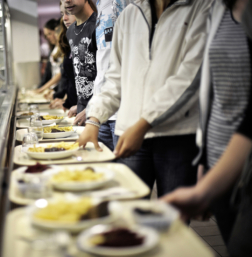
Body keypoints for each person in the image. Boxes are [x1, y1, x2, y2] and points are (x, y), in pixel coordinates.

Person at [78, 0, 211, 198]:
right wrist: (94, 119)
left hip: (177, 134)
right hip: (129, 130)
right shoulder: (130, 14)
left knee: (173, 215)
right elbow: (115, 77)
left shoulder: (201, 7)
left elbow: (190, 77)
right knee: (129, 208)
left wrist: (143, 124)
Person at [162, 0, 252, 246]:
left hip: (243, 167)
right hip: (217, 161)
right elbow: (210, 91)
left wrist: (206, 188)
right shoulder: (219, 9)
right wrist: (204, 161)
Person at [92, 0, 127, 151]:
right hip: (102, 108)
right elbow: (103, 59)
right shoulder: (100, 4)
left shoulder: (125, 3)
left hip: (121, 110)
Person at [64, 0, 98, 126]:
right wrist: (79, 106)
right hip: (83, 112)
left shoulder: (98, 24)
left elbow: (106, 72)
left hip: (100, 110)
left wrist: (91, 108)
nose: (67, 1)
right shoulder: (70, 31)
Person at [49, 3, 78, 111]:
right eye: (62, 14)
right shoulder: (70, 45)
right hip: (75, 107)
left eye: (69, 13)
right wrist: (66, 100)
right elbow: (71, 81)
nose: (65, 18)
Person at [38, 19, 61, 90]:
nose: (48, 37)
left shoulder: (62, 49)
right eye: (46, 35)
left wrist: (41, 89)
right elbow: (49, 73)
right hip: (55, 89)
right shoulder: (53, 49)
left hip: (58, 89)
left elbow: (60, 74)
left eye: (49, 33)